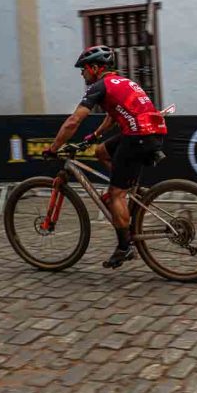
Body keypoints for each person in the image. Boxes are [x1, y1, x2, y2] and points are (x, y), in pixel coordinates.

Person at [46, 45, 167, 269]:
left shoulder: (99, 87)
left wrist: (54, 147)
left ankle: (124, 247)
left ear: (94, 67)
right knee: (101, 151)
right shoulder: (123, 82)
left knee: (115, 195)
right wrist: (93, 137)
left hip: (137, 136)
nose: (82, 74)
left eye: (83, 69)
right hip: (151, 132)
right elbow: (113, 117)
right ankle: (128, 189)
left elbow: (74, 121)